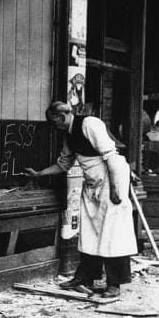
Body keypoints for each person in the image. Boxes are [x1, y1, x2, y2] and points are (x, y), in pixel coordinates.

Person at [25, 101, 137, 298]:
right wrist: (39, 174)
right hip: (92, 184)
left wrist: (115, 189)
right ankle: (85, 277)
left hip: (111, 178)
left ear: (62, 116)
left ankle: (114, 284)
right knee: (88, 232)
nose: (54, 127)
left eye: (54, 122)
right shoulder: (68, 134)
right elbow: (64, 164)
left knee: (113, 234)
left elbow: (111, 157)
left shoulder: (89, 124)